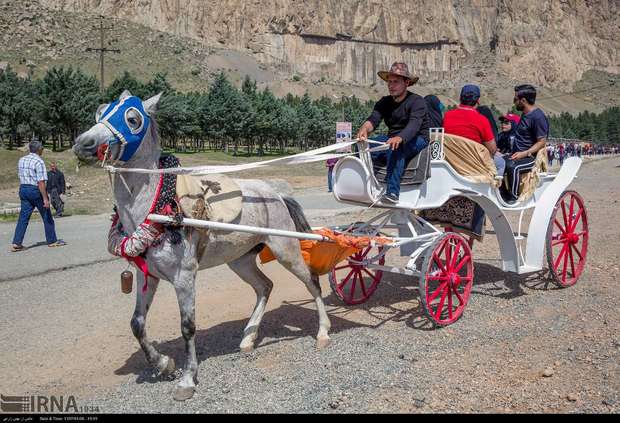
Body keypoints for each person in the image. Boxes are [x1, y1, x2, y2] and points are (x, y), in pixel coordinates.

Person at [356, 62, 429, 203]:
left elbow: (414, 125)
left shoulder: (417, 101)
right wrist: (364, 129)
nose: (391, 85)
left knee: (396, 148)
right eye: (389, 82)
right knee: (362, 147)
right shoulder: (385, 102)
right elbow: (373, 119)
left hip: (417, 138)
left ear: (406, 83)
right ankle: (367, 185)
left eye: (396, 82)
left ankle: (392, 193)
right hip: (392, 138)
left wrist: (400, 138)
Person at [11, 140, 66, 251]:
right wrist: (45, 199)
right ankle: (52, 240)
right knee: (47, 216)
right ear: (39, 149)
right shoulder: (39, 161)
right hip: (35, 190)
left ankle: (17, 243)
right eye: (42, 148)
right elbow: (41, 182)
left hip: (23, 188)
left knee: (23, 217)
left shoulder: (22, 159)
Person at [443, 84, 505, 175]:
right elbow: (492, 149)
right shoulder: (482, 120)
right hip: (473, 163)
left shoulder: (447, 116)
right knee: (501, 163)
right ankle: (494, 188)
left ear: (460, 98)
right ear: (478, 100)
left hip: (451, 161)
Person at [502, 84, 549, 203]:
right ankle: (501, 192)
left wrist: (525, 153)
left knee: (513, 167)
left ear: (523, 100)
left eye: (515, 100)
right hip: (519, 155)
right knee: (498, 162)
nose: (514, 103)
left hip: (531, 157)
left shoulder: (538, 117)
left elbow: (541, 142)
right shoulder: (525, 114)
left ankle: (513, 197)